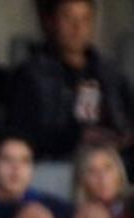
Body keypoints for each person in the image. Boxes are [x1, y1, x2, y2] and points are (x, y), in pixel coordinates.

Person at [8, 0, 134, 165]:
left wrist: (122, 137)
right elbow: (22, 136)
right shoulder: (31, 75)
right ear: (51, 22)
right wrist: (76, 137)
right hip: (62, 161)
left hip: (117, 159)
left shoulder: (109, 72)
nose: (78, 27)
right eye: (68, 18)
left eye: (85, 19)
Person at [73, 143, 134, 218]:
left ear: (118, 172)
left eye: (108, 168)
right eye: (92, 171)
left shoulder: (131, 201)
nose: (102, 178)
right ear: (82, 179)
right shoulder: (82, 215)